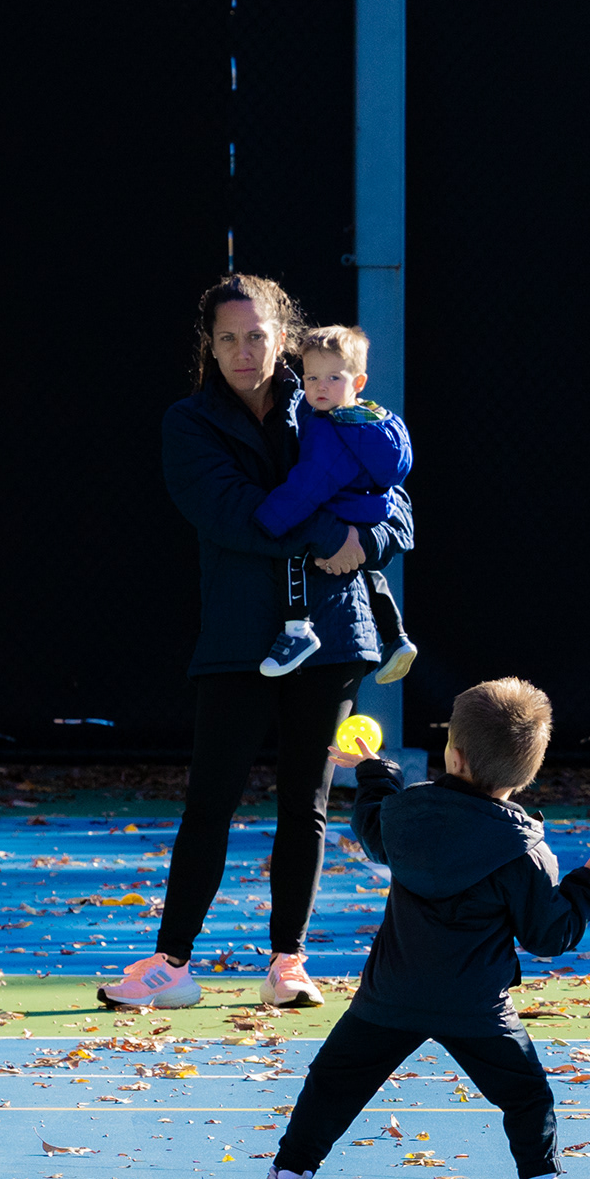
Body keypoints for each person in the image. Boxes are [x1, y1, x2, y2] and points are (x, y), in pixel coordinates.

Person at [106, 274, 413, 1013]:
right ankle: (171, 964)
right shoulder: (190, 423)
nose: (245, 351)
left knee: (305, 802)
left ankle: (288, 964)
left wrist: (364, 537)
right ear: (209, 348)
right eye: (228, 339)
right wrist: (332, 534)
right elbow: (232, 514)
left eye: (257, 335)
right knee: (210, 800)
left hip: (336, 635)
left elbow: (398, 516)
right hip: (241, 640)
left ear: (282, 335)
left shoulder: (331, 399)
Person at [237, 676, 590, 1179]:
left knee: (332, 1086)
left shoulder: (408, 814)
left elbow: (373, 826)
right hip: (476, 1007)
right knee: (526, 1098)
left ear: (454, 753)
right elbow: (549, 935)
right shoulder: (526, 853)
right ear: (527, 771)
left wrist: (372, 768)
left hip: (390, 995)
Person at [259, 324, 422, 689]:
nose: (319, 386)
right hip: (368, 511)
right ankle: (396, 637)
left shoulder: (330, 430)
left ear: (358, 382)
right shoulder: (375, 420)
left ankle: (297, 629)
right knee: (366, 571)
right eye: (312, 377)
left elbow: (308, 485)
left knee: (293, 554)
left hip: (342, 511)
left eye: (333, 377)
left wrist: (268, 519)